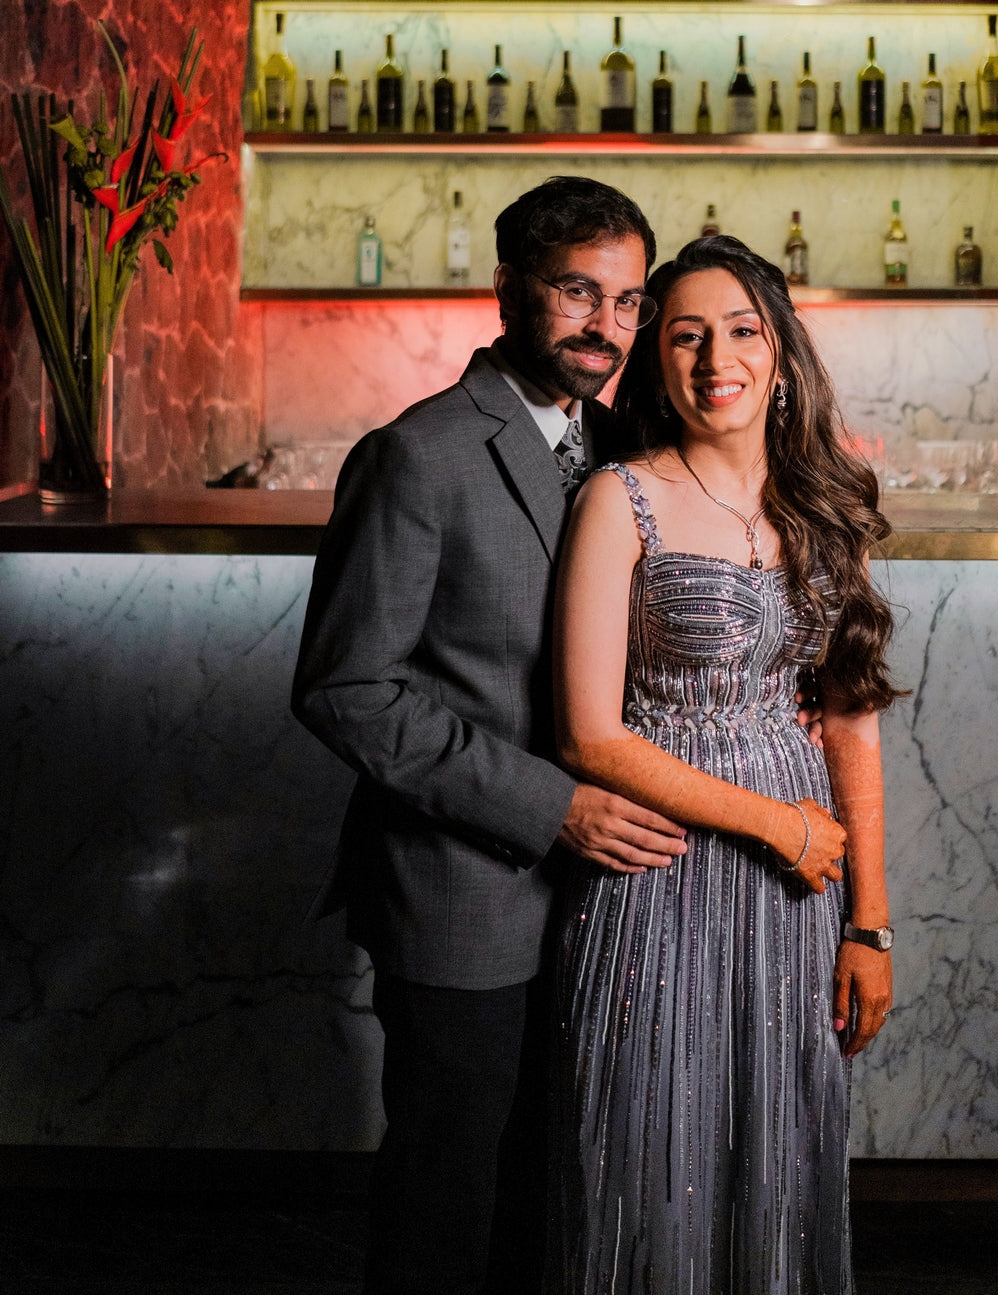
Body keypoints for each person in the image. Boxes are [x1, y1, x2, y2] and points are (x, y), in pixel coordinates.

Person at [291, 177, 689, 1295]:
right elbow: (347, 687)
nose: (607, 325)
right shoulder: (419, 454)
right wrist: (551, 806)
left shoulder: (622, 447)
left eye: (628, 301)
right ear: (509, 288)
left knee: (548, 1186)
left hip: (600, 896)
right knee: (448, 1195)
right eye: (578, 292)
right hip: (461, 887)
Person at [547, 235, 904, 1294]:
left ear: (780, 352)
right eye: (686, 336)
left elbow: (853, 723)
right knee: (644, 1154)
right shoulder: (619, 496)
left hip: (800, 895)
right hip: (658, 868)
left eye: (743, 331)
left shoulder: (828, 505)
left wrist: (870, 923)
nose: (717, 360)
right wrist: (776, 822)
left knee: (779, 1151)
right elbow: (589, 735)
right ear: (656, 360)